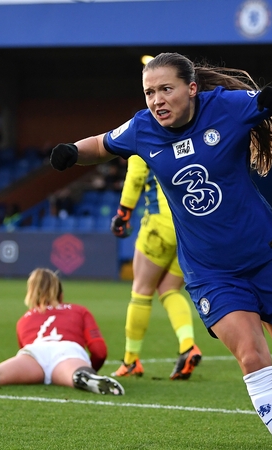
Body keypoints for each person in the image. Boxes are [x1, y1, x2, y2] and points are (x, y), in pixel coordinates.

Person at [49, 52, 272, 449]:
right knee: (251, 358)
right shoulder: (142, 128)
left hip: (265, 254)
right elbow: (102, 144)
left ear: (191, 89)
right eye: (149, 92)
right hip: (210, 271)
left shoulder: (227, 107)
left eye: (165, 89)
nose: (156, 100)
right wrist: (72, 152)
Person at [110, 155, 202, 380]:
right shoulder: (188, 130)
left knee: (141, 291)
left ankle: (131, 361)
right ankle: (188, 346)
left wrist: (123, 214)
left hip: (160, 225)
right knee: (170, 289)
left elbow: (135, 176)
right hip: (191, 229)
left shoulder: (144, 130)